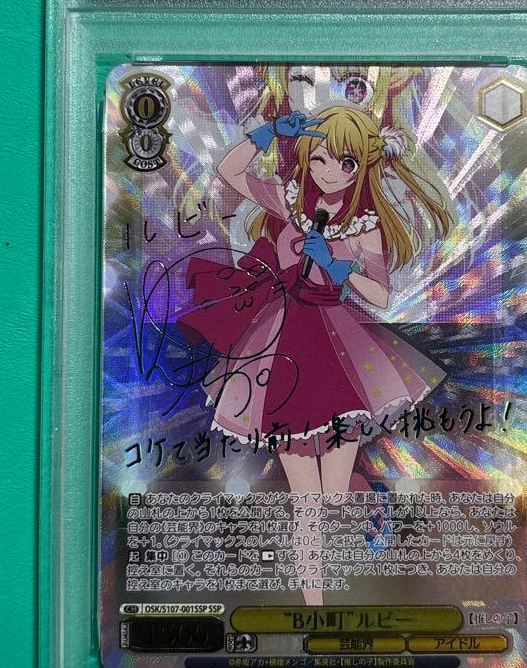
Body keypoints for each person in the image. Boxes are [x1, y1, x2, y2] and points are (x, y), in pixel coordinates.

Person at [176, 104, 453, 604]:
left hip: (339, 352)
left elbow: (381, 295)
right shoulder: (292, 202)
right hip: (279, 350)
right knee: (308, 504)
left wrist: (338, 267)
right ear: (306, 157)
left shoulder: (365, 226)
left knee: (333, 496)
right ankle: (315, 613)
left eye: (345, 163)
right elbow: (229, 171)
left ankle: (365, 499)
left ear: (361, 167)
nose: (329, 172)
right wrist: (268, 132)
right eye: (320, 158)